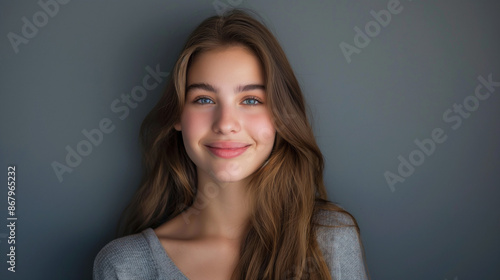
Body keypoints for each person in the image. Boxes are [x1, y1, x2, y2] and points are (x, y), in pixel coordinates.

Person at [93, 8, 369, 280]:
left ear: (281, 117)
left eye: (250, 100)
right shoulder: (125, 267)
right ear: (177, 115)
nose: (225, 123)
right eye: (204, 99)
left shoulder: (330, 242)